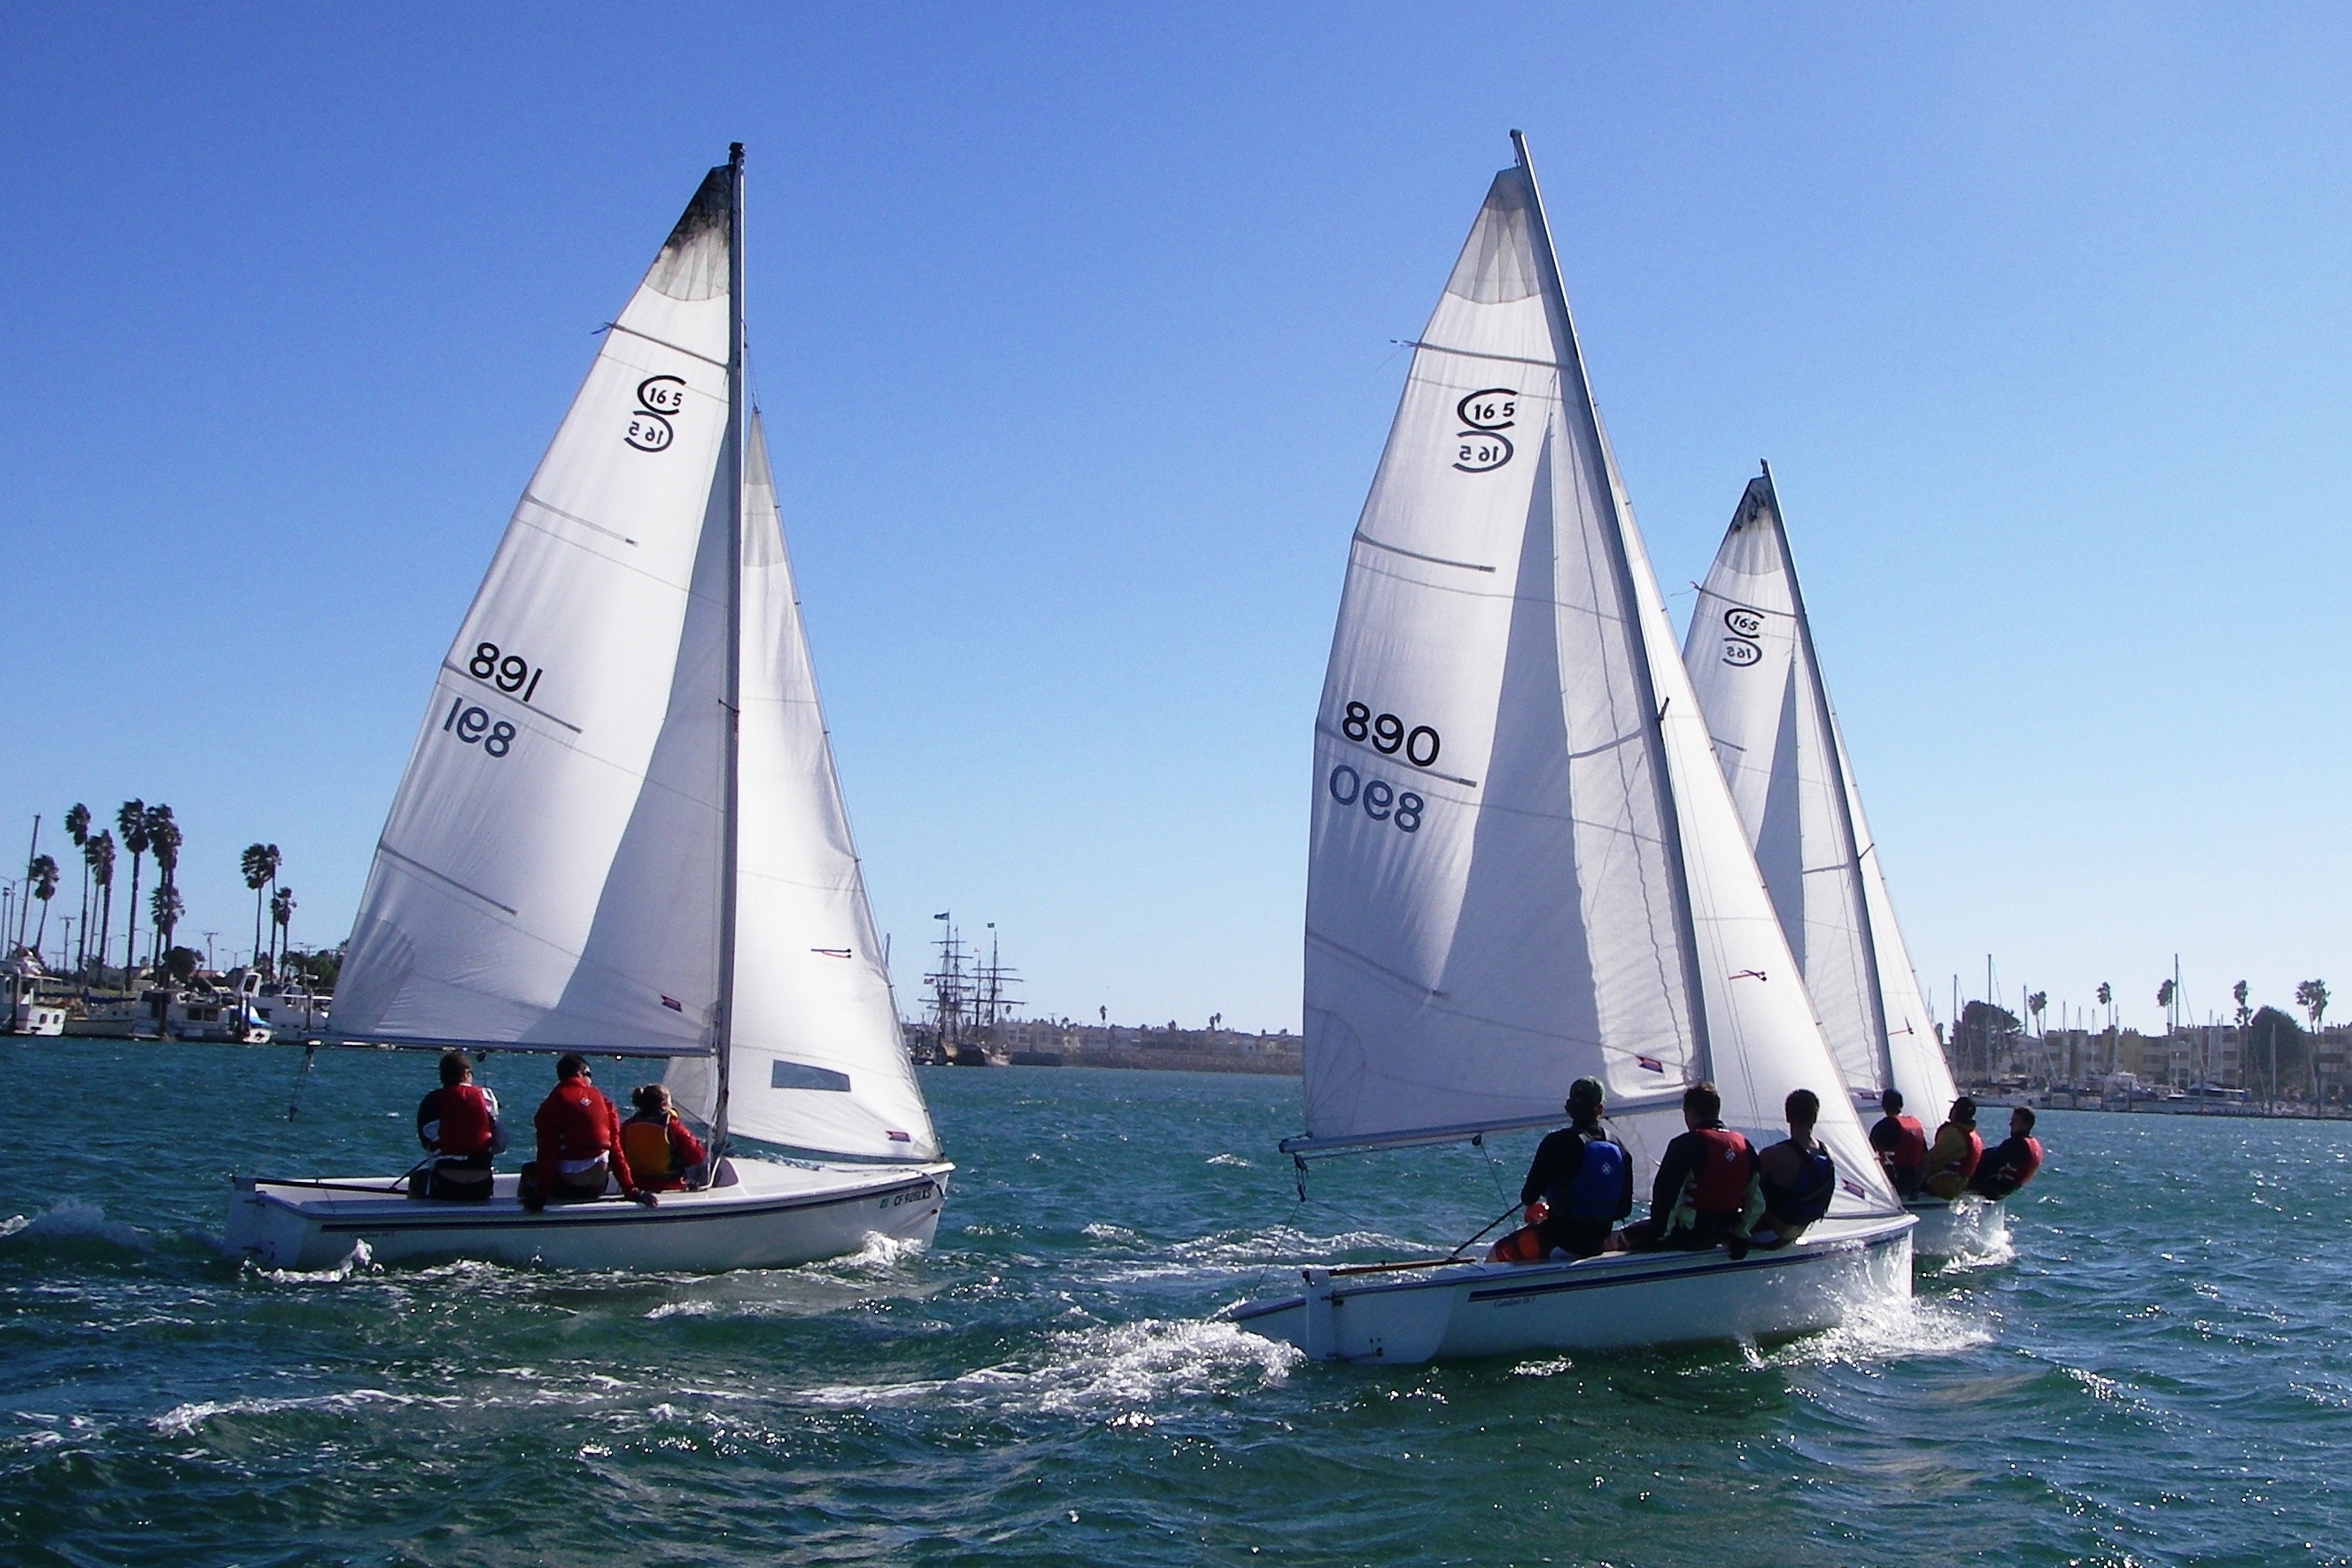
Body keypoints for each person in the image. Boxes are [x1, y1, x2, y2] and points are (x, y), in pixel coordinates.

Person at [1488, 1078, 1633, 1263]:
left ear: (1568, 1107)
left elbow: (1528, 1197)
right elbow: (1624, 1209)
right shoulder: (1619, 1147)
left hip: (1558, 1240)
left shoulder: (1555, 1143)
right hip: (1598, 1243)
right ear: (1600, 1109)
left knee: (1498, 1251)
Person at [1620, 1081, 1761, 1254]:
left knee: (1623, 1237)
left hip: (1689, 1235)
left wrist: (1660, 1235)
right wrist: (1741, 1233)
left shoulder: (1686, 1145)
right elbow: (1757, 1203)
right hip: (1724, 1234)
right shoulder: (1744, 1146)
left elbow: (1667, 1198)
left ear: (1691, 1112)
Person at [519, 1054, 653, 1210]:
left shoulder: (552, 1104)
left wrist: (541, 1195)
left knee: (528, 1170)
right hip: (598, 1186)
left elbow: (547, 1153)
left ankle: (525, 1221)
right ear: (580, 1073)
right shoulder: (605, 1103)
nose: (591, 1080)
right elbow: (615, 1150)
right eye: (589, 1075)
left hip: (568, 1188)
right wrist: (631, 1190)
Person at [1750, 1089, 1837, 1248]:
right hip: (1799, 1230)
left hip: (1770, 1236)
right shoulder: (1828, 1153)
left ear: (1788, 1117)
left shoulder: (1772, 1155)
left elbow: (1750, 1194)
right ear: (1815, 1117)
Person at [413, 1050, 504, 1201]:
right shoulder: (486, 1096)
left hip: (445, 1181)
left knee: (418, 1179)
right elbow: (501, 1142)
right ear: (466, 1073)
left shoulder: (431, 1101)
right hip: (481, 1181)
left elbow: (427, 1141)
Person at [620, 1083, 709, 1193]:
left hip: (637, 1183)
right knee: (704, 1163)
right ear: (663, 1104)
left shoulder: (628, 1124)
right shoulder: (670, 1125)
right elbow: (697, 1156)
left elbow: (620, 1151)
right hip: (669, 1186)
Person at [1968, 1105, 2044, 1200]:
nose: (2010, 1124)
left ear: (2026, 1125)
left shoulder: (2016, 1144)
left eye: (2015, 1120)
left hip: (1993, 1188)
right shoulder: (2032, 1144)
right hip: (2005, 1190)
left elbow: (1988, 1163)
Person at [1868, 1087, 1928, 1200]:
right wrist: (1916, 1188)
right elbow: (1925, 1160)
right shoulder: (1915, 1125)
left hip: (1894, 1185)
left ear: (1883, 1105)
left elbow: (1867, 1155)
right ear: (1902, 1104)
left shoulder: (1883, 1126)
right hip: (1912, 1185)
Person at [1920, 1095, 1984, 1200]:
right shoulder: (1974, 1136)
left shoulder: (1954, 1136)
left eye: (1953, 1108)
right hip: (1959, 1185)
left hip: (1945, 1186)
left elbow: (1931, 1161)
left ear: (1955, 1112)